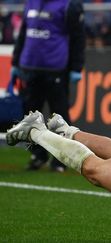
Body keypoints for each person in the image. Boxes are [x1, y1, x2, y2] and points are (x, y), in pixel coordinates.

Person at [10, 0, 85, 172]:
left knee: (59, 117)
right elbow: (23, 33)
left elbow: (78, 37)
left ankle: (61, 159)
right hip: (30, 68)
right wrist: (15, 62)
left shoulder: (69, 5)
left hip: (56, 69)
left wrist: (76, 67)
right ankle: (38, 155)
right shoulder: (31, 3)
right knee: (29, 116)